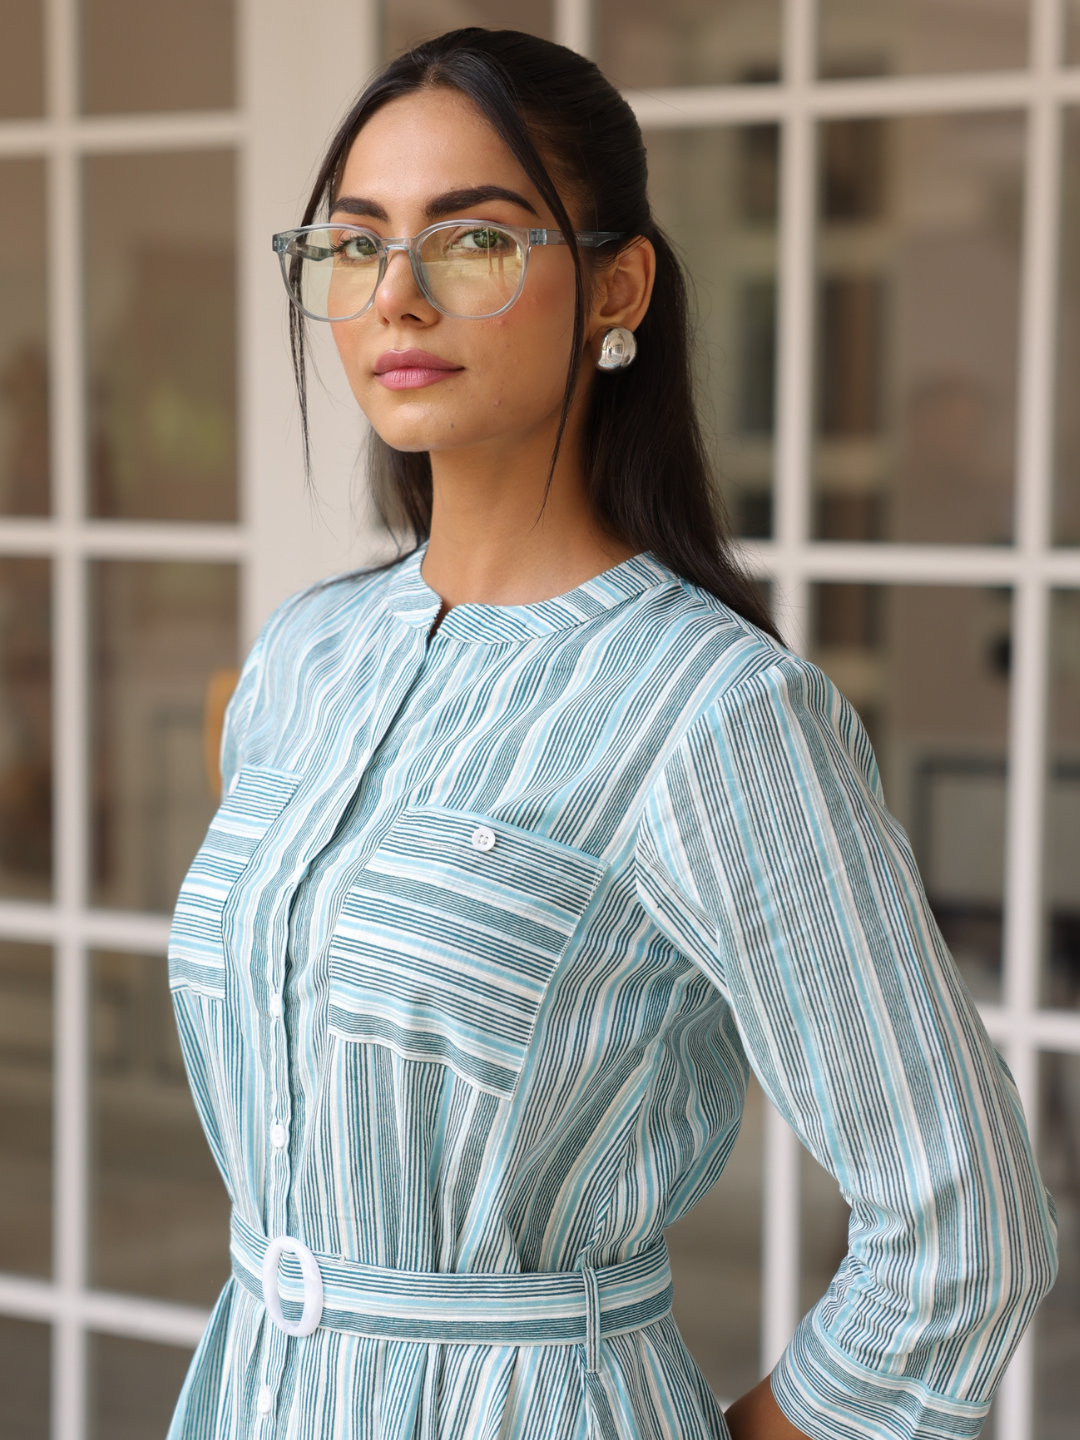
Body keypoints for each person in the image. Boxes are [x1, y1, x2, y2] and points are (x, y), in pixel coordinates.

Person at [166, 28, 1057, 1440]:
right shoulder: (303, 660)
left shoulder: (711, 710)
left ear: (616, 285)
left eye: (473, 241)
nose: (396, 297)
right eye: (353, 247)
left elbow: (967, 1230)